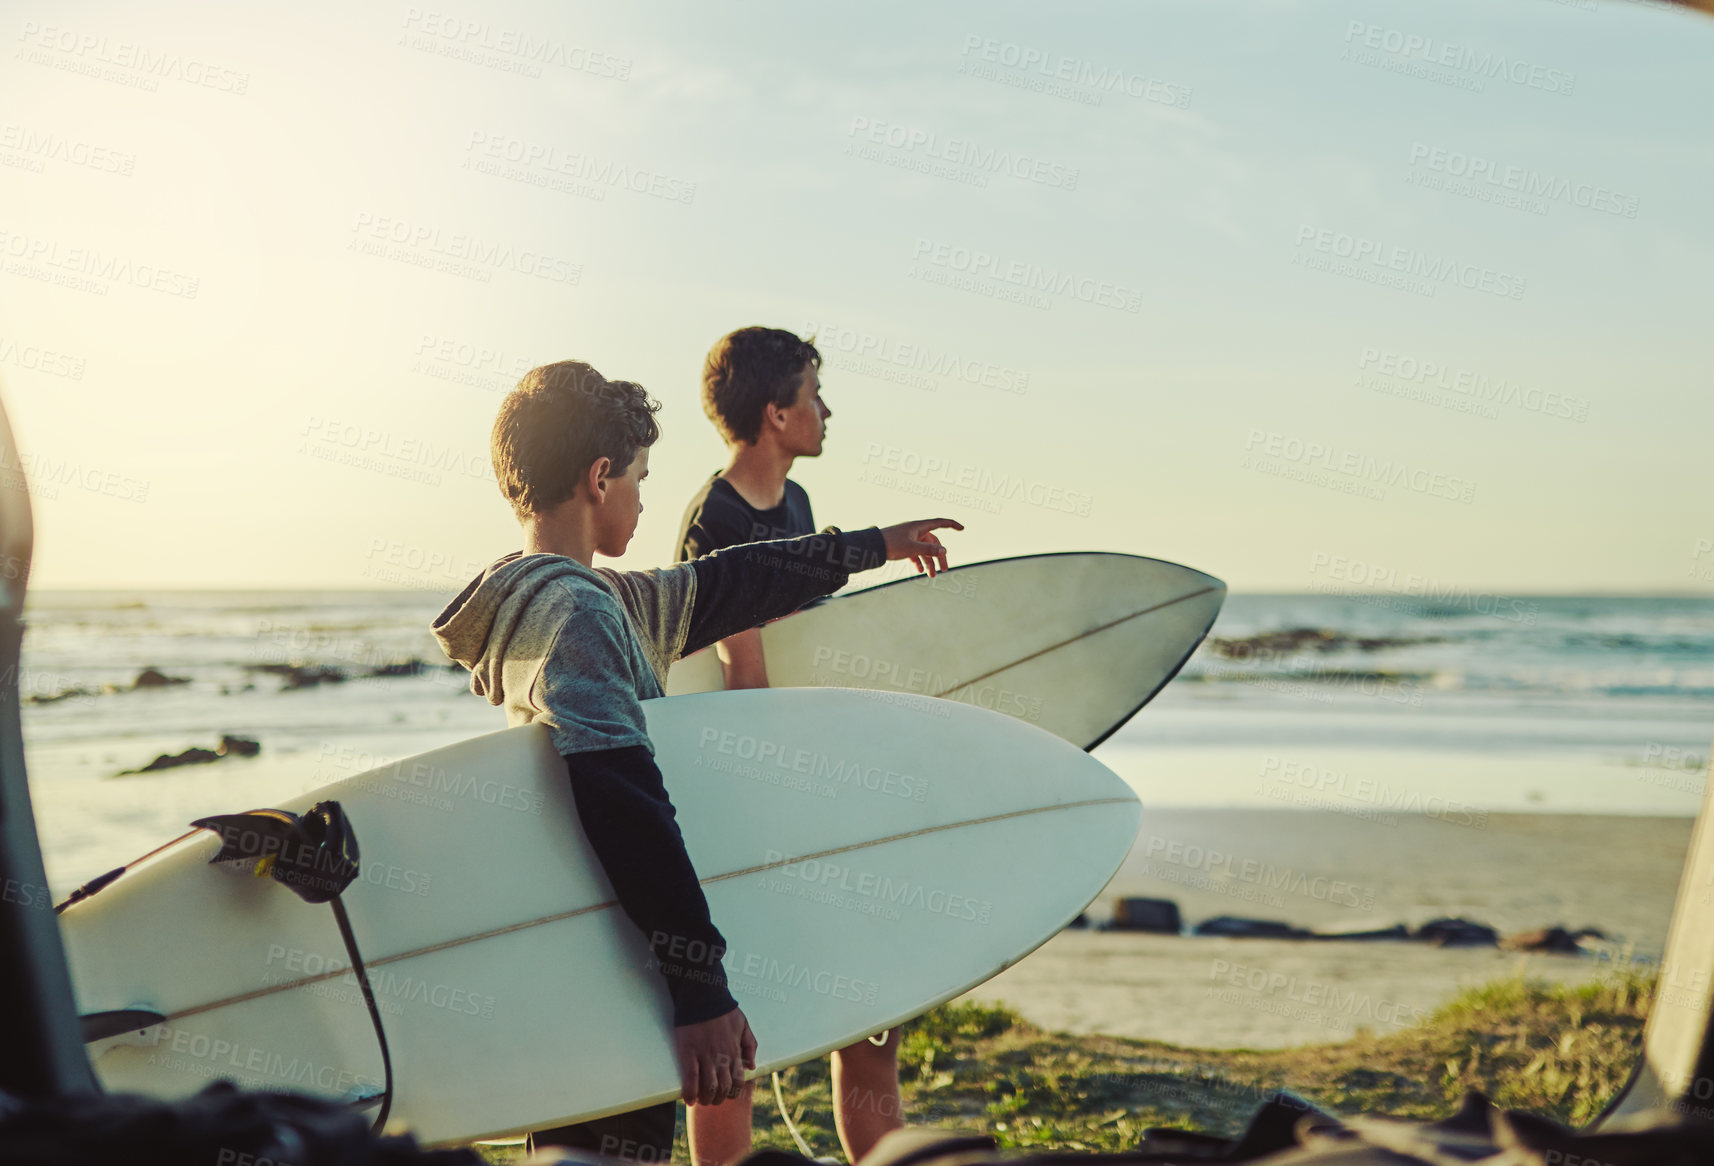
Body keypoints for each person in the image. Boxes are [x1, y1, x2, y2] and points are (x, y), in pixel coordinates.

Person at [431, 359, 959, 1162]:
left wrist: (870, 547)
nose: (645, 499)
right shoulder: (576, 614)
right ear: (599, 477)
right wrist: (700, 991)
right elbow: (622, 797)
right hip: (609, 955)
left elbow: (726, 584)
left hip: (587, 940)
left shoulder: (561, 599)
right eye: (640, 478)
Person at [675, 328, 907, 1165]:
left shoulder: (795, 509)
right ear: (776, 414)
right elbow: (739, 686)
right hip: (743, 805)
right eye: (813, 394)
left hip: (811, 789)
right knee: (738, 1038)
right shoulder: (717, 520)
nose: (826, 409)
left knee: (870, 1017)